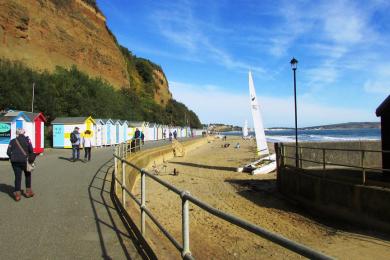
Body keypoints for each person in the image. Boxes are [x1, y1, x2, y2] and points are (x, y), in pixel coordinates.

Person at [7, 128, 35, 201]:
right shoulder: (27, 140)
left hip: (15, 162)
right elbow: (31, 151)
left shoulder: (12, 141)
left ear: (17, 133)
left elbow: (8, 152)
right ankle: (28, 192)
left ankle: (17, 195)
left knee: (17, 177)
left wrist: (12, 157)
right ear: (24, 133)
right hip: (25, 161)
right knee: (28, 175)